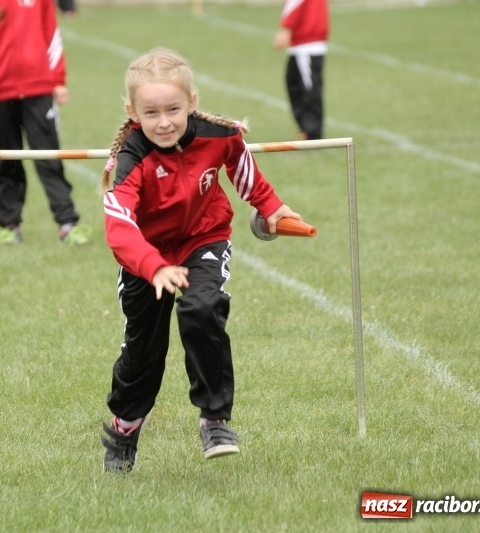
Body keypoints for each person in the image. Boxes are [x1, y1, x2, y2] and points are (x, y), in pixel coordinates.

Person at [98, 47, 302, 473]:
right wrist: (154, 267)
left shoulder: (219, 135)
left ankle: (214, 419)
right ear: (132, 112)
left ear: (192, 102)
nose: (165, 121)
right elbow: (118, 225)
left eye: (174, 108)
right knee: (144, 350)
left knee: (204, 307)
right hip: (148, 258)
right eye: (151, 112)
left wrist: (274, 208)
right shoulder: (132, 158)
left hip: (202, 240)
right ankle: (125, 426)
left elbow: (245, 172)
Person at [0, 0, 91, 246]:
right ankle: (10, 225)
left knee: (50, 158)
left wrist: (57, 79)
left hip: (39, 89)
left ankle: (67, 223)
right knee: (9, 161)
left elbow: (50, 32)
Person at [273, 0, 329, 140]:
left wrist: (286, 26)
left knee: (308, 87)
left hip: (307, 40)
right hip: (303, 40)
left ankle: (312, 132)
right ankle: (306, 128)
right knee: (295, 82)